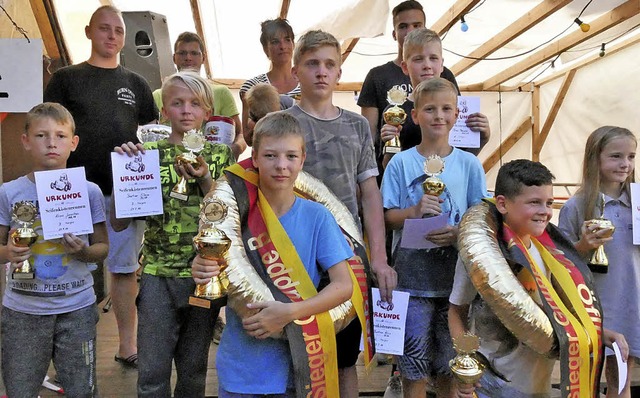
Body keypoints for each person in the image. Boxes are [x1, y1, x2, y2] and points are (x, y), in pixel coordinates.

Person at [192, 112, 354, 397]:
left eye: (291, 156)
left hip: (299, 367)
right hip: (241, 369)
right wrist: (202, 269)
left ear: (303, 160)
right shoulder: (235, 215)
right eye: (270, 156)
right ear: (254, 157)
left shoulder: (317, 216)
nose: (281, 166)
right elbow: (212, 289)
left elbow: (344, 286)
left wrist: (290, 312)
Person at [449, 159, 629, 398]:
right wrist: (466, 363)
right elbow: (456, 310)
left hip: (538, 385)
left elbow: (563, 314)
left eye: (549, 203)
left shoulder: (547, 252)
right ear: (502, 204)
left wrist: (602, 335)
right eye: (534, 203)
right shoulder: (481, 257)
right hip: (491, 384)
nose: (544, 211)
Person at [43, 5, 157, 367]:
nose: (112, 36)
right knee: (69, 266)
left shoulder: (136, 84)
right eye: (105, 29)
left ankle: (127, 346)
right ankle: (68, 354)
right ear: (89, 31)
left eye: (118, 31)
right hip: (70, 191)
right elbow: (51, 128)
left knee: (123, 269)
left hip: (120, 194)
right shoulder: (65, 78)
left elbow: (151, 138)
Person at [282, 29, 393, 398]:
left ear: (340, 73)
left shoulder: (357, 126)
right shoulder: (282, 124)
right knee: (297, 354)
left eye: (330, 64)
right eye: (312, 63)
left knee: (346, 358)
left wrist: (378, 257)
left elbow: (370, 195)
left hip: (346, 258)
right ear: (296, 69)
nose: (321, 72)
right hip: (290, 254)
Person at [112, 71, 234, 397]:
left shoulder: (221, 157)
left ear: (208, 111)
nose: (186, 110)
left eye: (195, 103)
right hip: (156, 275)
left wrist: (206, 178)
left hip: (204, 277)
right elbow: (120, 223)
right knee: (152, 370)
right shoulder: (145, 155)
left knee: (194, 371)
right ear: (164, 110)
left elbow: (228, 216)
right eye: (177, 103)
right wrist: (124, 174)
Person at [381, 77, 488, 398]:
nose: (438, 116)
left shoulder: (470, 164)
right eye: (429, 109)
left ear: (456, 115)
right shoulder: (400, 163)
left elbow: (480, 218)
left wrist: (459, 233)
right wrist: (413, 212)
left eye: (445, 109)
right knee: (412, 369)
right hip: (411, 283)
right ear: (414, 116)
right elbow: (387, 216)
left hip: (456, 286)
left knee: (450, 367)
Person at [0, 102, 109, 397]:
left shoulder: (89, 191)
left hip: (77, 307)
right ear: (25, 141)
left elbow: (102, 248)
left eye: (60, 136)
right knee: (20, 388)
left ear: (73, 143)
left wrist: (83, 252)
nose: (51, 143)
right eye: (41, 135)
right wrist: (9, 253)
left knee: (81, 389)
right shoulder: (9, 192)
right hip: (23, 309)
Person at [558, 126, 638, 398]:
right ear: (595, 158)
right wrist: (583, 246)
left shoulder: (638, 204)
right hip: (596, 307)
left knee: (623, 381)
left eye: (631, 156)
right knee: (591, 382)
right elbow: (562, 264)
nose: (625, 164)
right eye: (616, 156)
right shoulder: (575, 207)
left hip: (633, 303)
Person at [358, 0, 460, 175]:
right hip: (394, 174)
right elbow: (368, 139)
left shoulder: (446, 75)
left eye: (417, 25)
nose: (410, 31)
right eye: (403, 26)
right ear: (394, 33)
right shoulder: (377, 75)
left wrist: (480, 138)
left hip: (444, 174)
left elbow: (458, 135)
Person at [380, 28, 490, 169]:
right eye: (418, 59)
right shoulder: (394, 112)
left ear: (441, 64)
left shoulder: (458, 107)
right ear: (405, 67)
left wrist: (482, 137)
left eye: (433, 58)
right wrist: (390, 143)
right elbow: (387, 167)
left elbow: (464, 161)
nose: (427, 65)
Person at [152, 31, 247, 160]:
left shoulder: (221, 92)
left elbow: (240, 133)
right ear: (174, 58)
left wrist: (231, 153)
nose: (188, 57)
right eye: (182, 53)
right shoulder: (158, 95)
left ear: (204, 58)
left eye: (194, 53)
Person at [239, 18, 301, 139]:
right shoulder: (252, 86)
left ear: (293, 44)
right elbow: (248, 137)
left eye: (287, 40)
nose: (282, 46)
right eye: (275, 42)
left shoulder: (308, 83)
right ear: (265, 49)